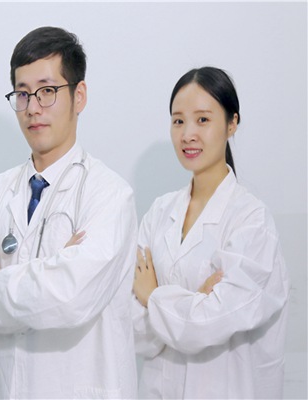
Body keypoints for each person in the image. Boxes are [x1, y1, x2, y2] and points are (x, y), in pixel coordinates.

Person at [0, 26, 138, 399]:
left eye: (47, 91)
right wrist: (48, 280)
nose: (32, 107)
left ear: (79, 96)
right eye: (22, 94)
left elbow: (71, 300)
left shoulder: (110, 195)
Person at [132, 66, 290, 398]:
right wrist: (192, 302)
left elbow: (209, 325)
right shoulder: (159, 213)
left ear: (232, 124)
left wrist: (153, 296)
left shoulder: (251, 221)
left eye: (203, 119)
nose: (188, 134)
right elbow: (130, 325)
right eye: (178, 121)